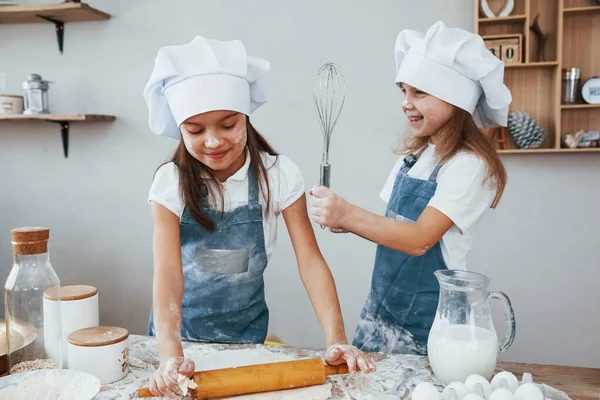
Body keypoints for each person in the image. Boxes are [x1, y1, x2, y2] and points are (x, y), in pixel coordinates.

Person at [142, 36, 375, 397]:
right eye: (195, 130)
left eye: (227, 124)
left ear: (246, 118)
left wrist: (337, 339)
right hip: (180, 343)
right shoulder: (169, 182)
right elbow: (168, 274)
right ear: (180, 129)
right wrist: (171, 356)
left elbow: (310, 262)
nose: (214, 141)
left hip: (246, 341)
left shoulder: (278, 175)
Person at [309, 21, 512, 356]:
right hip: (380, 314)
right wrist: (345, 221)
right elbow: (393, 228)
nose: (406, 102)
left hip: (430, 325)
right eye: (403, 91)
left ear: (455, 98)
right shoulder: (417, 156)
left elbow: (419, 240)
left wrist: (347, 212)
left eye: (419, 92)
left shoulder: (468, 165)